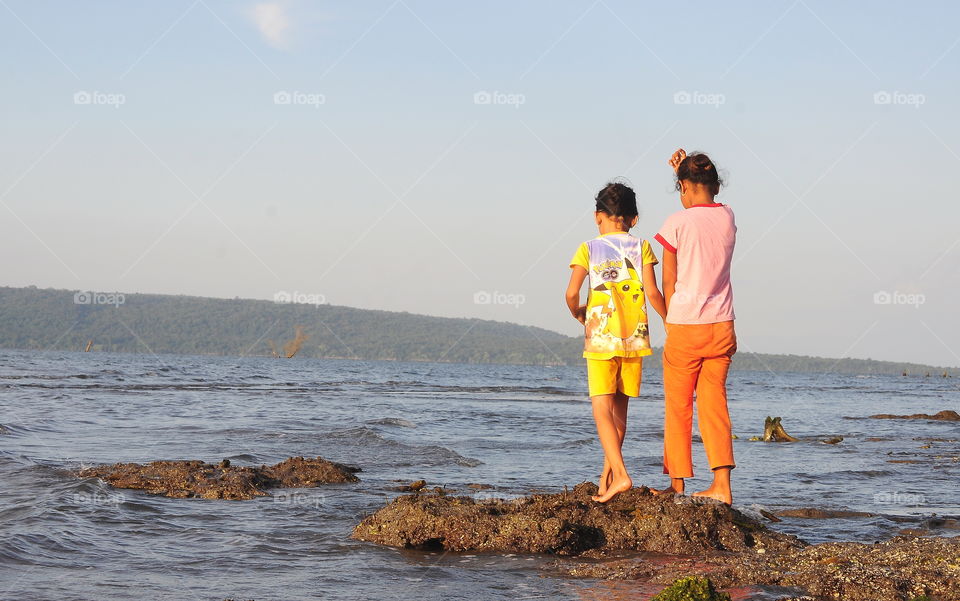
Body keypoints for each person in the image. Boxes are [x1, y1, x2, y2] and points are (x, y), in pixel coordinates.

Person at [565, 182, 666, 503]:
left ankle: (620, 474)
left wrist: (578, 312)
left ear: (598, 216)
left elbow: (570, 293)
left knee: (600, 406)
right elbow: (652, 293)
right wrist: (670, 322)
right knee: (620, 409)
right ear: (633, 218)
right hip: (635, 338)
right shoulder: (643, 247)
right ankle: (606, 478)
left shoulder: (588, 248)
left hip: (600, 335)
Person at [653, 149, 738, 505]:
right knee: (714, 404)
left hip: (687, 325)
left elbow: (669, 283)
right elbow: (704, 200)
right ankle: (722, 485)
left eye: (681, 188)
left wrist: (669, 322)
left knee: (678, 406)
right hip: (722, 326)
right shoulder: (729, 216)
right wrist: (684, 172)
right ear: (716, 186)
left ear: (684, 186)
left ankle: (677, 485)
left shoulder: (676, 223)